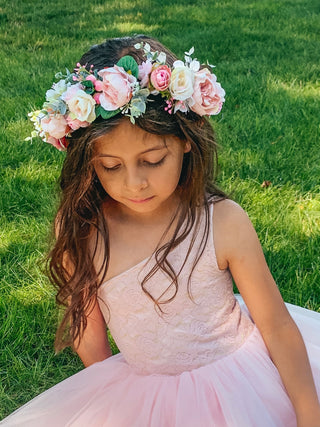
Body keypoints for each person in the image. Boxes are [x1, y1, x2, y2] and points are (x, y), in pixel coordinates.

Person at [1, 35, 319, 427]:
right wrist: (115, 399)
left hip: (241, 384)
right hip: (147, 392)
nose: (134, 183)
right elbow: (90, 336)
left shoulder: (221, 221)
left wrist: (308, 416)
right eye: (111, 167)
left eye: (152, 160)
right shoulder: (84, 229)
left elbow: (277, 325)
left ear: (186, 140)